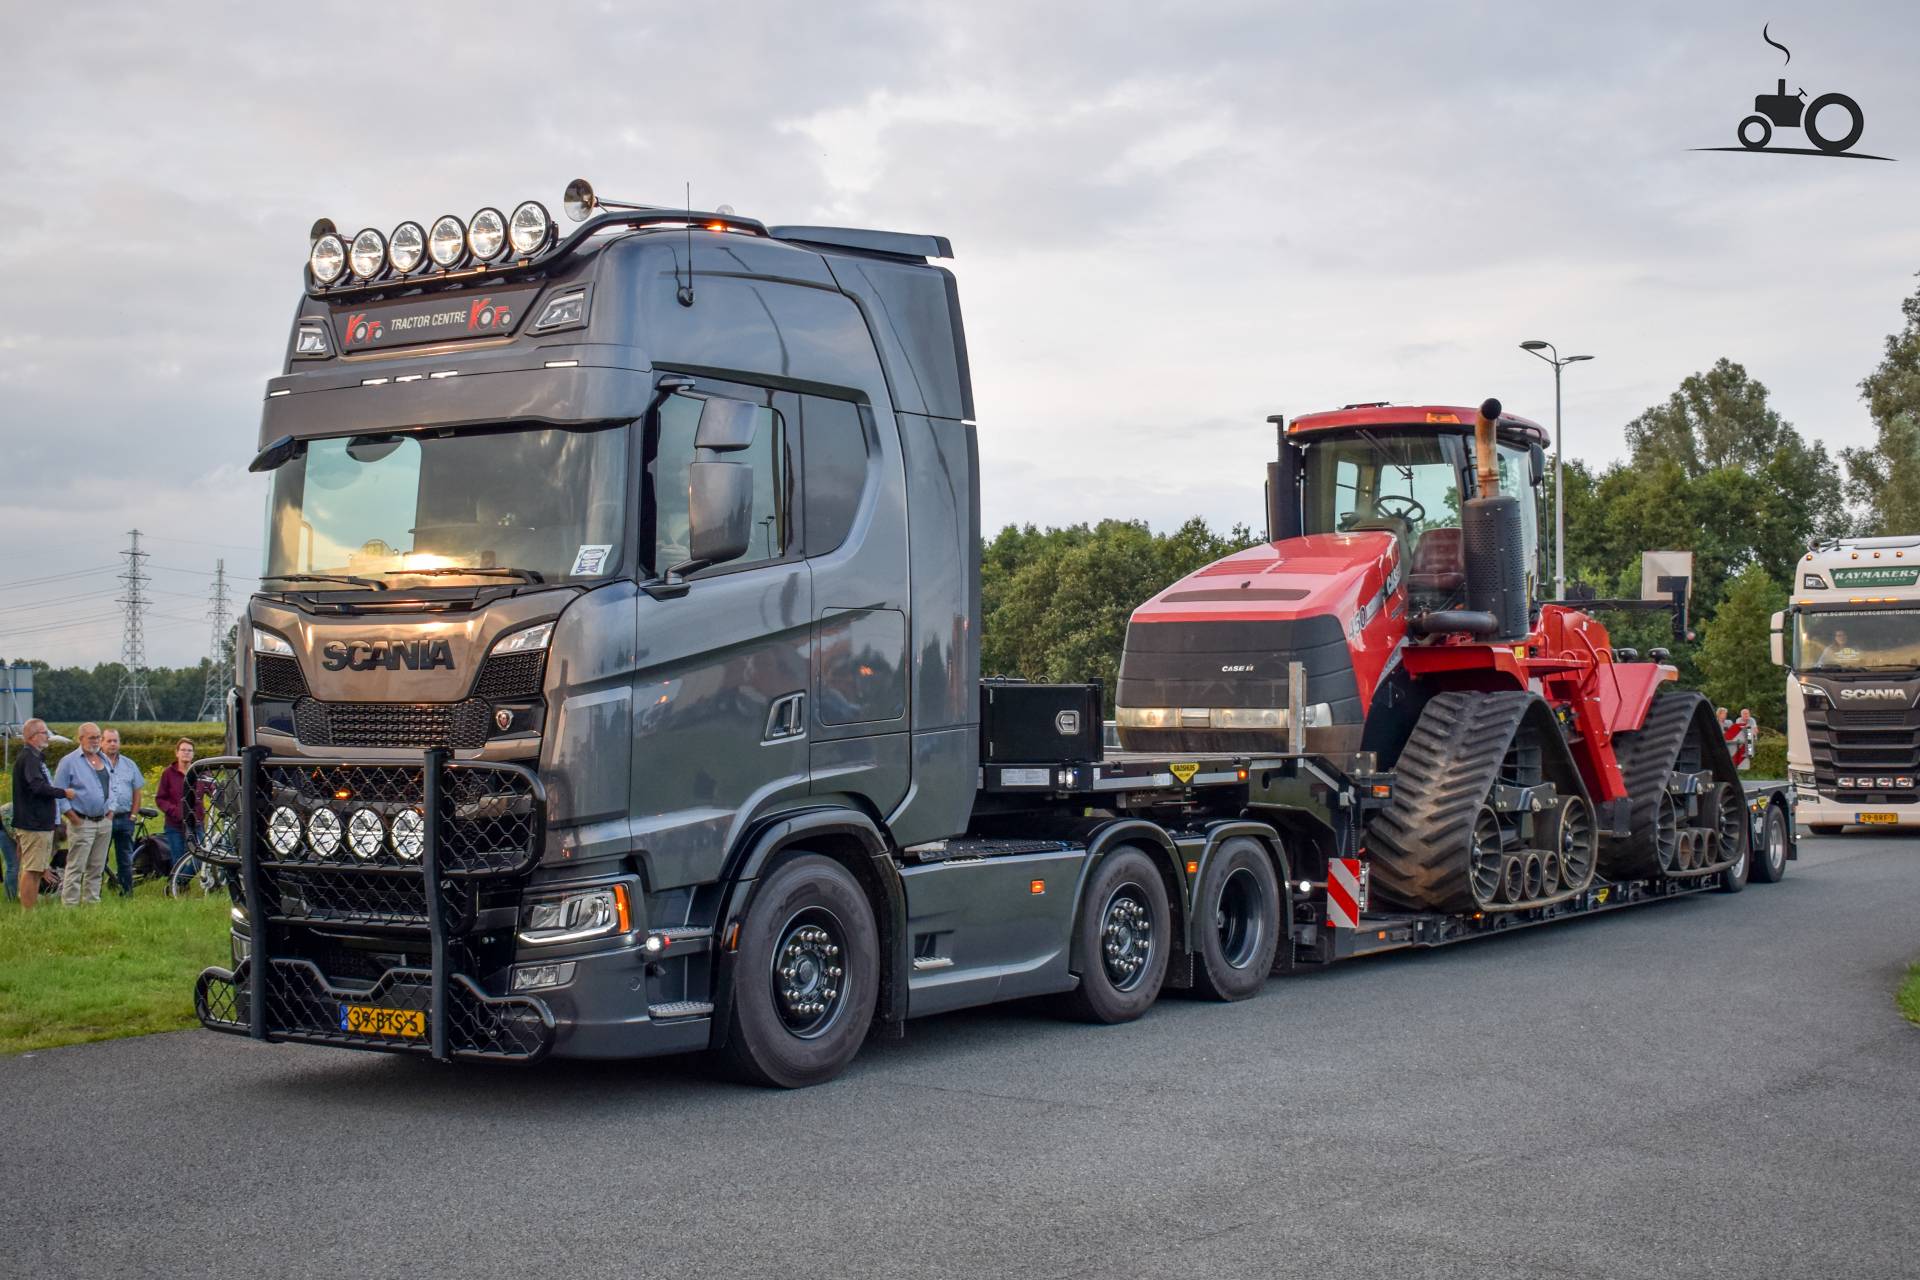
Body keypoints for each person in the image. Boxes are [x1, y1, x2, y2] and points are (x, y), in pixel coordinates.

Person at [10, 718, 75, 909]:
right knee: (31, 869)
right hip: (34, 823)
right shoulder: (29, 758)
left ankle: (30, 908)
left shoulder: (35, 757)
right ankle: (27, 911)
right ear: (31, 736)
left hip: (41, 823)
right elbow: (37, 786)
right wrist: (63, 792)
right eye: (43, 733)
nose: (47, 736)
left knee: (37, 869)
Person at [52, 721, 116, 905]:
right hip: (82, 822)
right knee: (76, 867)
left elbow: (113, 785)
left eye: (98, 737)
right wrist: (72, 816)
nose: (96, 741)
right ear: (80, 739)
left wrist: (111, 810)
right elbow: (59, 792)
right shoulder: (68, 762)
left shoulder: (103, 759)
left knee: (96, 867)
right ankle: (70, 905)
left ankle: (91, 903)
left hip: (103, 821)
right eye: (92, 737)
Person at [100, 727, 146, 895]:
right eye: (109, 741)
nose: (112, 744)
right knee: (100, 858)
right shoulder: (95, 763)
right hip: (104, 819)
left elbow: (137, 791)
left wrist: (133, 815)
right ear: (101, 742)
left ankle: (127, 893)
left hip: (125, 818)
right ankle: (96, 893)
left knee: (125, 859)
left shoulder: (129, 764)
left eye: (115, 741)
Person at [155, 737, 202, 874]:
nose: (186, 753)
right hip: (174, 825)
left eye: (189, 750)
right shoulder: (168, 774)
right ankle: (180, 890)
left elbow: (213, 790)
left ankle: (178, 882)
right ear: (177, 753)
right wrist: (175, 811)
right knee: (178, 860)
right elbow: (160, 799)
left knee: (202, 858)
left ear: (193, 754)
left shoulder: (200, 772)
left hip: (196, 823)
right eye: (183, 750)